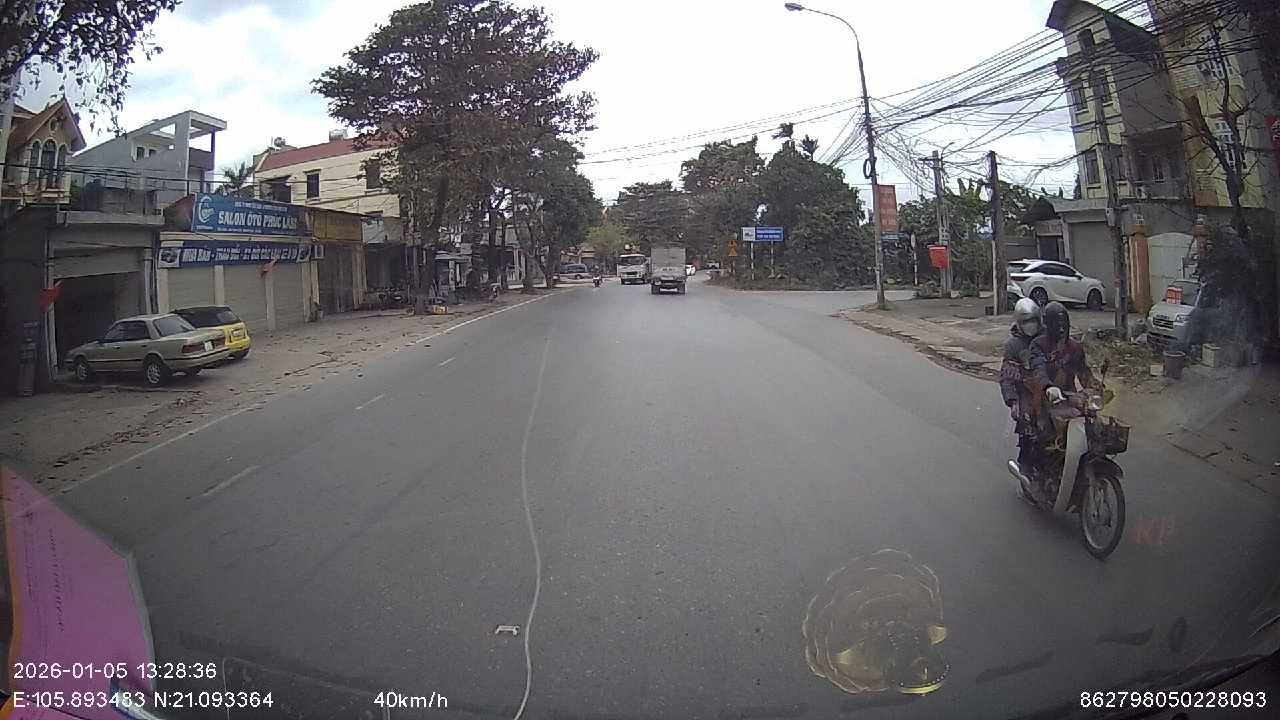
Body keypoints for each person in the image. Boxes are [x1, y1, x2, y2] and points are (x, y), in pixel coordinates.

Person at [1000, 298, 1041, 472]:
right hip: (1026, 391)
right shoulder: (1013, 345)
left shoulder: (1046, 338)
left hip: (1049, 389)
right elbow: (1007, 376)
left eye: (1033, 320)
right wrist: (1013, 401)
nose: (1030, 325)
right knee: (1028, 424)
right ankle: (1026, 467)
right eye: (1025, 322)